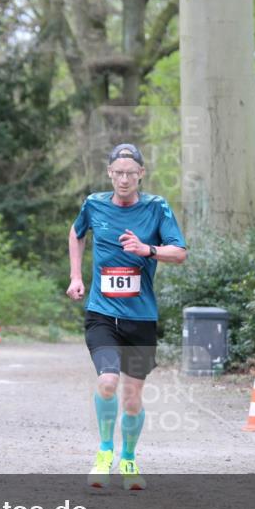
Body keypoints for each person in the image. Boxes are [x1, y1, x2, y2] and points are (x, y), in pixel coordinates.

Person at [66, 144, 187, 490]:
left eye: (130, 173)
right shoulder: (94, 204)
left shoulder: (156, 208)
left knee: (132, 398)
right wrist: (76, 276)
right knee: (107, 382)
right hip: (102, 313)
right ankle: (104, 452)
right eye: (118, 172)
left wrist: (147, 249)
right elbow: (76, 235)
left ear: (141, 175)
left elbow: (179, 252)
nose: (123, 179)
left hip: (141, 318)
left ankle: (129, 459)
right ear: (109, 174)